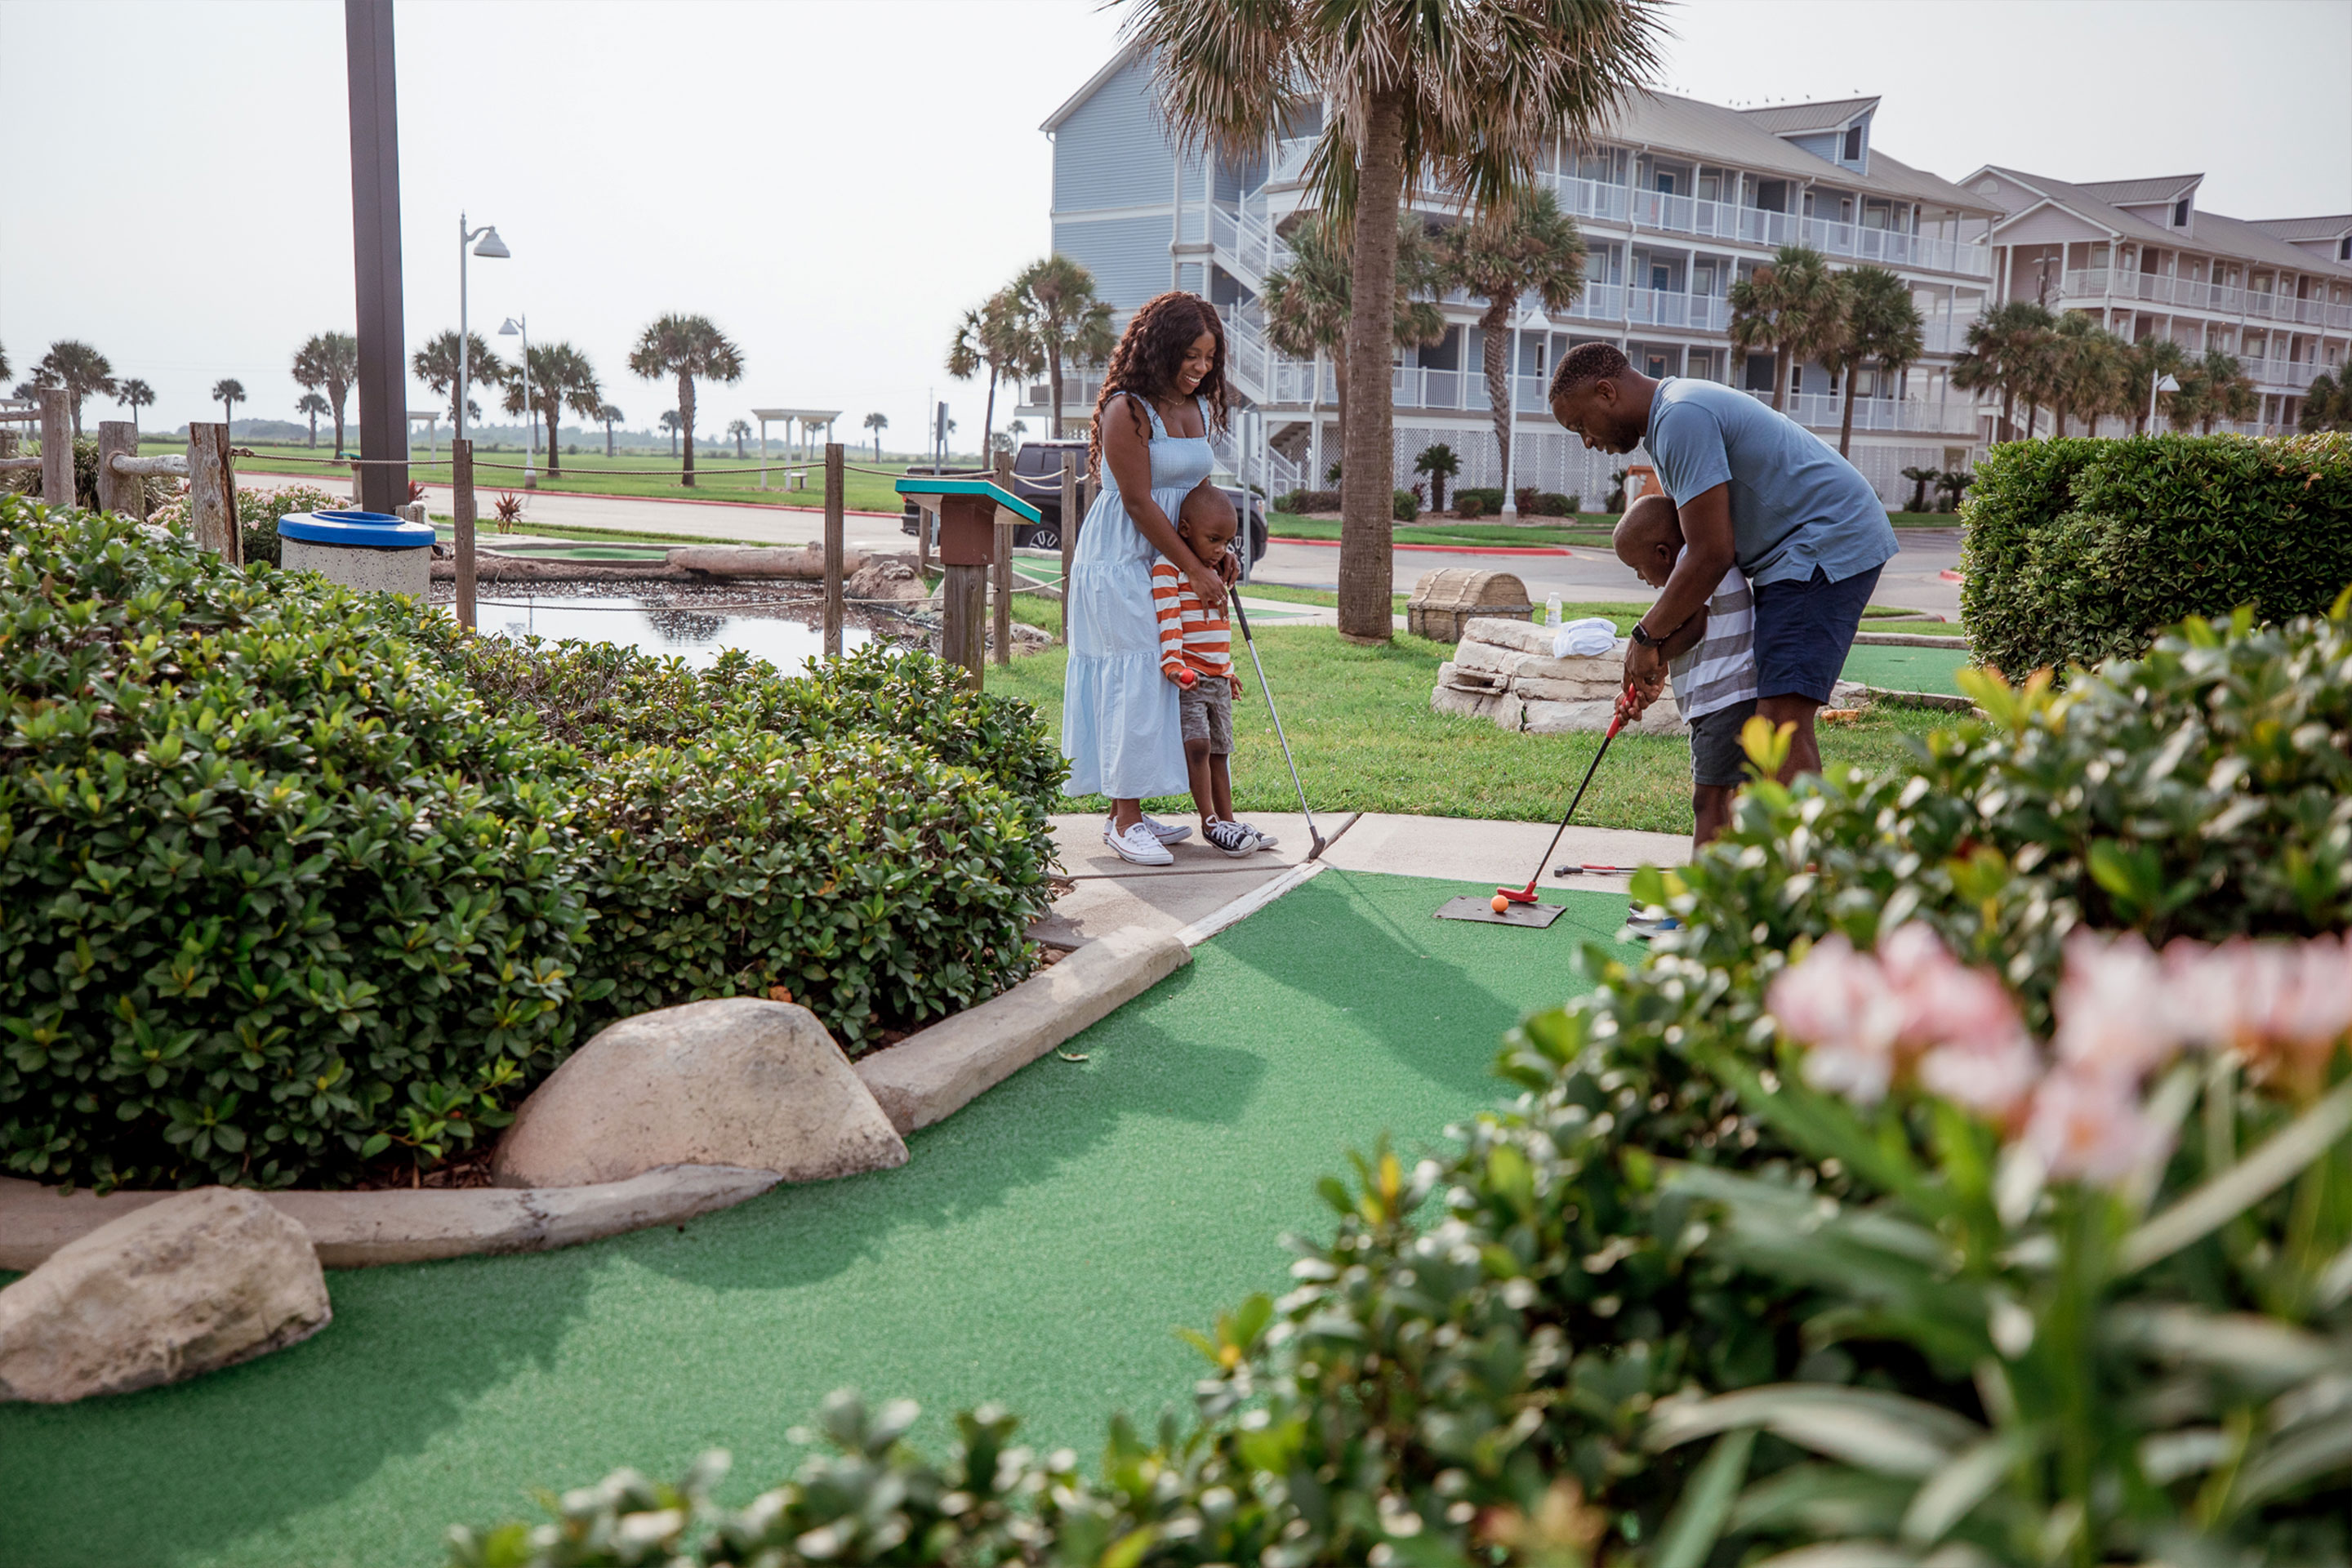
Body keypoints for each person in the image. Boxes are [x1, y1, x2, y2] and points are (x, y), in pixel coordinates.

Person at [1546, 342, 1895, 783]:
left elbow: (1712, 553)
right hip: (1794, 554)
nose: (1588, 442)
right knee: (1770, 725)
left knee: (1779, 725)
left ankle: (1814, 852)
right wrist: (1658, 654)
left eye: (1581, 425)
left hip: (1822, 541)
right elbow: (1695, 555)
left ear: (1606, 392)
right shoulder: (1667, 425)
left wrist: (1645, 636)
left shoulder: (1680, 417)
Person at [1062, 292, 1241, 866]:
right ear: (1161, 348)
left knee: (1166, 677)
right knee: (1132, 670)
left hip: (1173, 557)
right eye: (1191, 354)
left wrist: (1216, 553)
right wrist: (1193, 567)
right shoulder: (1127, 410)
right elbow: (1139, 503)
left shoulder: (1198, 409)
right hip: (1120, 558)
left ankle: (1131, 811)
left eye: (1209, 357)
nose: (1200, 368)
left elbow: (1193, 497)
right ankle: (1124, 819)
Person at [1612, 492, 1757, 852]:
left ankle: (1701, 901)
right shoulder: (1697, 567)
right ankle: (1732, 888)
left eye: (1638, 569)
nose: (1642, 578)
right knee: (1732, 798)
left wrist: (1652, 659)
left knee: (1709, 798)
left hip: (1724, 701)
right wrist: (1650, 675)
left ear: (1663, 553)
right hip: (1727, 699)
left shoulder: (1696, 569)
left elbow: (1693, 629)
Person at [1152, 482, 1277, 857]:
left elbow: (1218, 629)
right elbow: (1169, 620)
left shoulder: (1217, 568)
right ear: (1186, 530)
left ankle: (1228, 820)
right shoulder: (1169, 569)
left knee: (1221, 750)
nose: (1221, 550)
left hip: (1218, 676)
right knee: (1198, 746)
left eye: (1227, 542)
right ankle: (1208, 822)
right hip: (1189, 677)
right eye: (1213, 540)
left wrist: (1227, 668)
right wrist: (1174, 664)